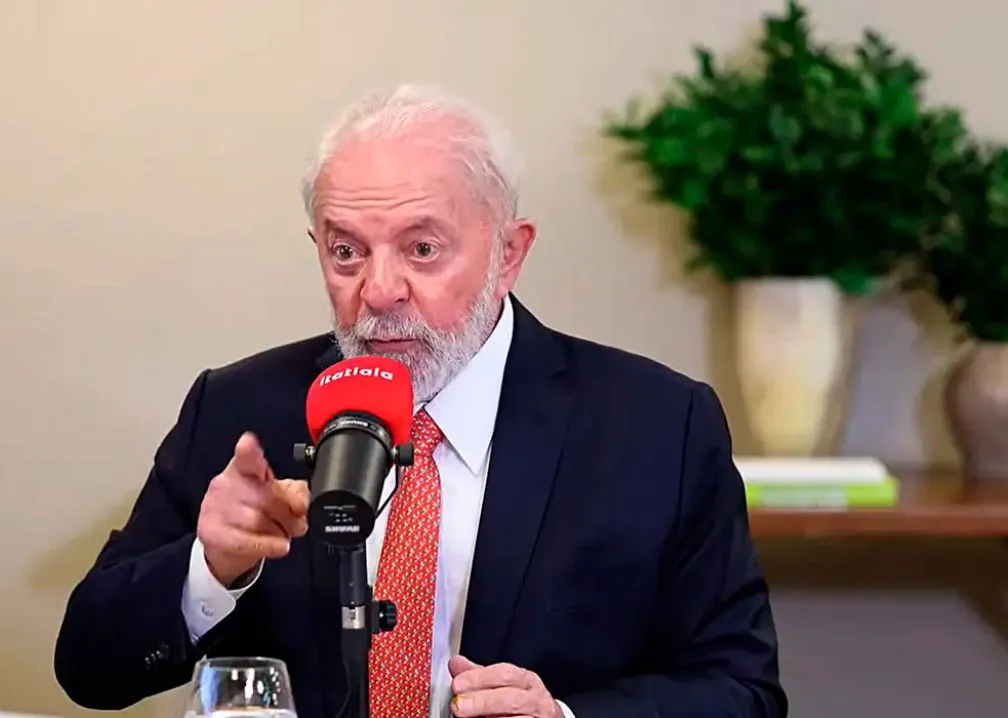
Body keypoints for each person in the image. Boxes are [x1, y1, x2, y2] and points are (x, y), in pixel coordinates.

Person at [54, 84, 787, 718]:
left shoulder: (657, 427)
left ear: (508, 253)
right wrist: (208, 568)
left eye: (422, 249)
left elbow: (742, 691)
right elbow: (89, 669)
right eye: (346, 251)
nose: (378, 292)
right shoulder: (240, 409)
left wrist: (565, 716)